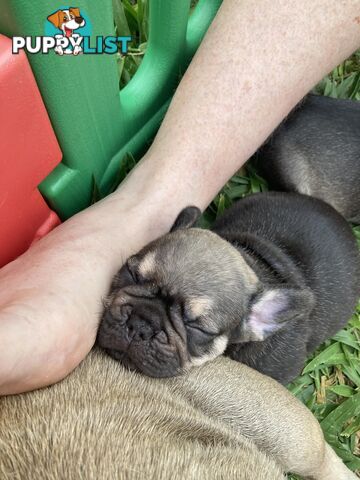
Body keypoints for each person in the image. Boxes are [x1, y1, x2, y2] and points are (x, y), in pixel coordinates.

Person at [0, 0, 359, 395]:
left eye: (193, 324)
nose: (140, 325)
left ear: (259, 322)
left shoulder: (272, 355)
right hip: (277, 217)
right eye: (135, 276)